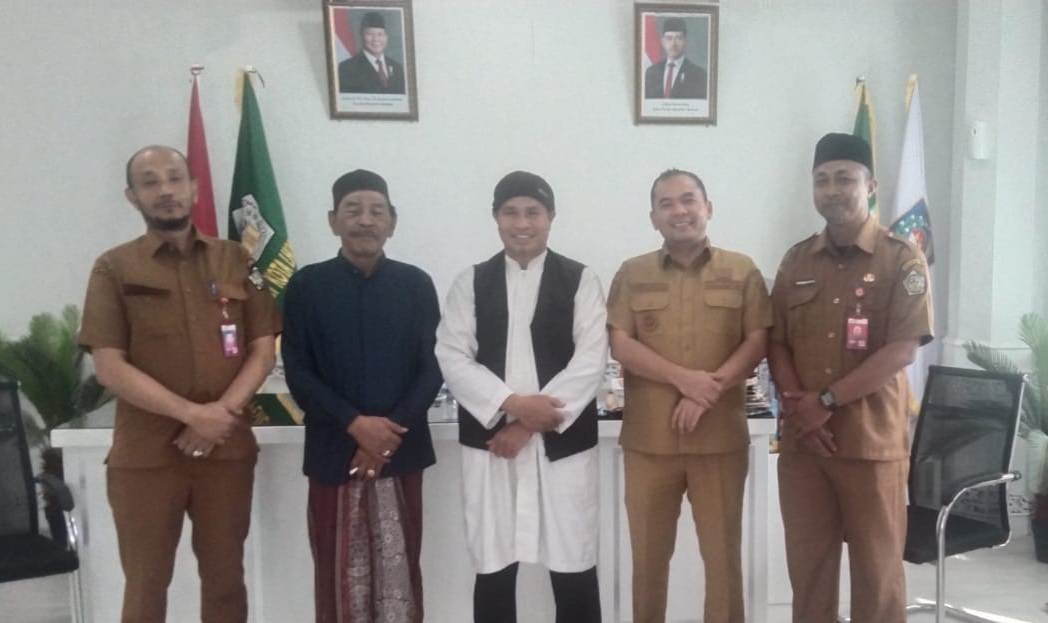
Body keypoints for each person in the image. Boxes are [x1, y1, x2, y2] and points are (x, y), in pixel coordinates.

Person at [79, 145, 280, 623]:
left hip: (225, 451)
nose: (165, 190)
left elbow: (263, 348)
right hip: (146, 457)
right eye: (150, 182)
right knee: (145, 587)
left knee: (226, 582)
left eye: (174, 178)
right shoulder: (113, 267)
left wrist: (219, 416)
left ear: (194, 188)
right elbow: (109, 365)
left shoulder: (237, 260)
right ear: (132, 196)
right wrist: (192, 415)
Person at [767, 133, 933, 623]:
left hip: (870, 444)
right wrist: (800, 408)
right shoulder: (797, 259)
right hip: (805, 446)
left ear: (870, 186)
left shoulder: (901, 258)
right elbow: (776, 341)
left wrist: (825, 401)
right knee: (809, 573)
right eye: (822, 180)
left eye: (844, 178)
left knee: (877, 576)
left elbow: (902, 348)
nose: (832, 189)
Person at [435, 171, 607, 623]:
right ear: (496, 218)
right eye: (511, 212)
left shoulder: (580, 279)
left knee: (574, 566)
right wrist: (512, 406)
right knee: (493, 566)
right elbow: (452, 355)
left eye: (533, 212)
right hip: (492, 447)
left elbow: (591, 360)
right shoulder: (470, 282)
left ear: (551, 217)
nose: (522, 223)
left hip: (562, 447)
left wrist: (527, 425)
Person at [606, 169, 771, 623]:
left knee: (723, 563)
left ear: (708, 208)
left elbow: (757, 341)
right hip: (649, 444)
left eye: (688, 200)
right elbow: (620, 343)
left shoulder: (742, 270)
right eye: (666, 203)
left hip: (719, 442)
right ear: (653, 218)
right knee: (647, 563)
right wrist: (685, 380)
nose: (679, 211)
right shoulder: (633, 273)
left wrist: (705, 393)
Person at [282, 170, 441, 623]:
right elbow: (298, 371)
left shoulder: (415, 285)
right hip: (333, 451)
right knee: (335, 577)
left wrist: (385, 437)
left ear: (393, 221)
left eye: (376, 211)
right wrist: (355, 425)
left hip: (401, 451)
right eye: (353, 210)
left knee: (401, 573)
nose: (365, 220)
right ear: (333, 220)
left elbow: (433, 366)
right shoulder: (306, 286)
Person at [338, 11, 407, 95]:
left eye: (380, 34)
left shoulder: (398, 68)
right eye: (370, 34)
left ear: (386, 37)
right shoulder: (347, 68)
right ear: (361, 35)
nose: (375, 39)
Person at [643, 17, 707, 99]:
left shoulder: (699, 75)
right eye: (669, 38)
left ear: (685, 42)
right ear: (662, 42)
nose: (673, 44)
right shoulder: (651, 72)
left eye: (679, 38)